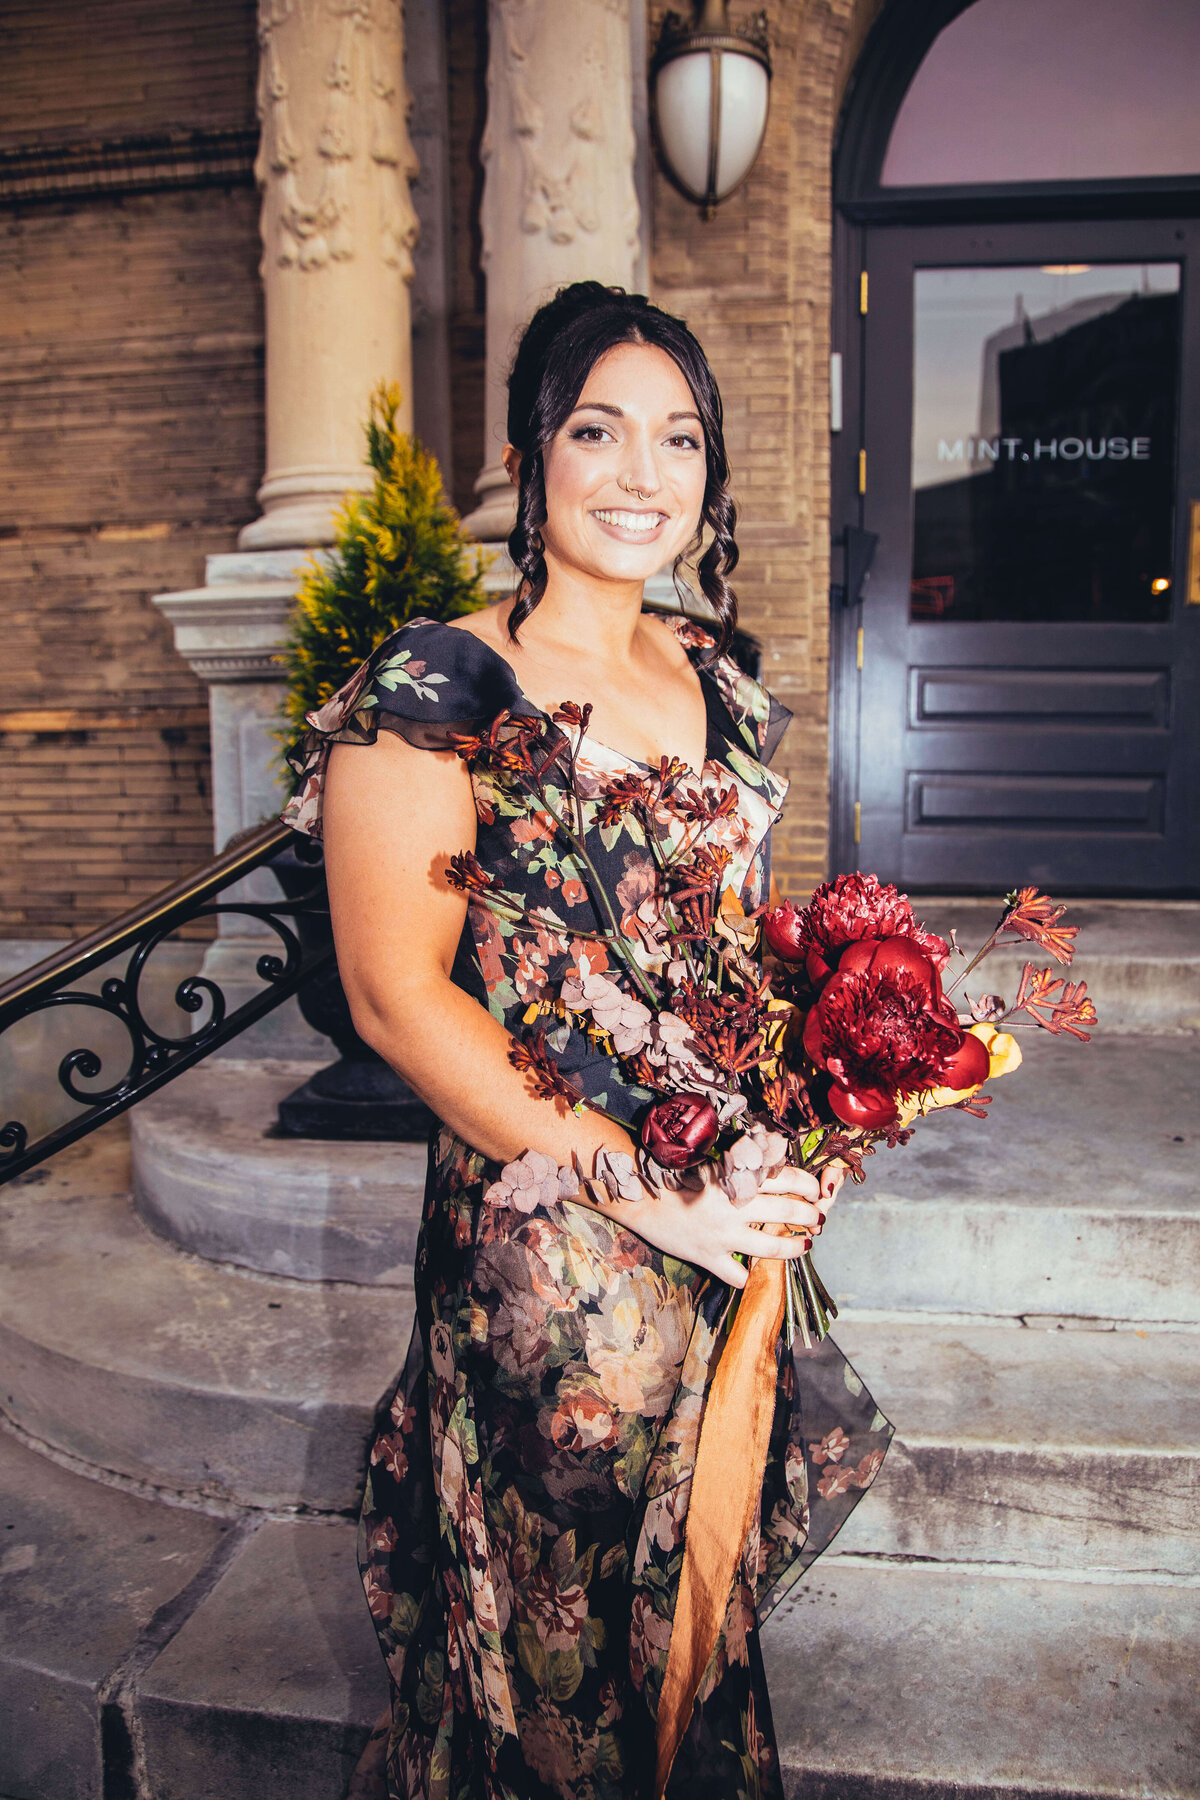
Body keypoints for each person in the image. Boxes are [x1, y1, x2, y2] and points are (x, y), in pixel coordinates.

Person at [282, 282, 891, 1800]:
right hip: (545, 1266)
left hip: (717, 1251)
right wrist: (643, 1185)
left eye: (679, 438)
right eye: (599, 430)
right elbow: (399, 999)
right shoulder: (439, 691)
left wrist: (806, 1134)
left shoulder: (727, 689)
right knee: (553, 1687)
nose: (643, 473)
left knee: (691, 1652)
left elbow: (738, 968)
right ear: (531, 456)